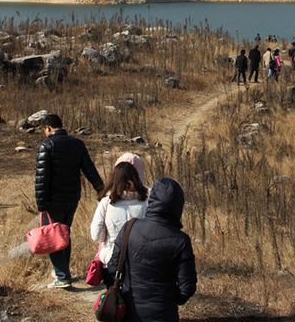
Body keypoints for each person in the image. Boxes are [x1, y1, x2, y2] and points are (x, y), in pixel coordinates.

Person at [107, 178, 197, 322]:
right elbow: (187, 287)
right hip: (164, 314)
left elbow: (113, 268)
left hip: (129, 311)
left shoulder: (129, 228)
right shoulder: (181, 240)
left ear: (152, 200)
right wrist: (169, 300)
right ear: (178, 205)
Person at [35, 114, 105, 289]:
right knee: (64, 233)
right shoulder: (77, 144)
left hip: (52, 200)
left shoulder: (47, 145)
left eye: (45, 130)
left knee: (53, 236)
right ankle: (62, 271)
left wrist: (41, 204)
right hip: (72, 198)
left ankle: (62, 276)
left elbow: (41, 178)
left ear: (48, 128)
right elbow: (89, 169)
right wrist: (100, 188)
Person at [90, 160, 148, 279]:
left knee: (113, 296)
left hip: (111, 259)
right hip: (140, 260)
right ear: (136, 179)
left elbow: (95, 235)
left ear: (114, 180)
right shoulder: (146, 203)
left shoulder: (105, 203)